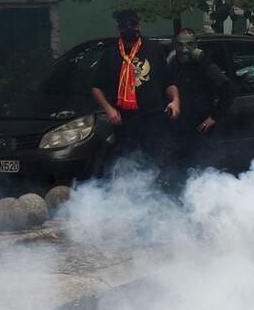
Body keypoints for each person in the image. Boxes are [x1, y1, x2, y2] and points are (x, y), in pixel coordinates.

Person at [90, 10, 180, 181]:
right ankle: (132, 200)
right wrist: (109, 110)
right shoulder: (110, 55)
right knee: (128, 162)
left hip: (154, 119)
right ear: (119, 28)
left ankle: (162, 198)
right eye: (126, 25)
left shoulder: (154, 50)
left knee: (159, 162)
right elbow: (96, 87)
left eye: (134, 24)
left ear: (140, 25)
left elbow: (169, 82)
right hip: (126, 121)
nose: (131, 28)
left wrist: (175, 101)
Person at [167, 28, 234, 182]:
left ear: (196, 45)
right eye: (180, 45)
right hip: (178, 130)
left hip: (200, 130)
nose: (185, 50)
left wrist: (214, 117)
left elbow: (228, 89)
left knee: (200, 170)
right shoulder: (172, 65)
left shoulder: (205, 65)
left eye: (190, 44)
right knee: (179, 170)